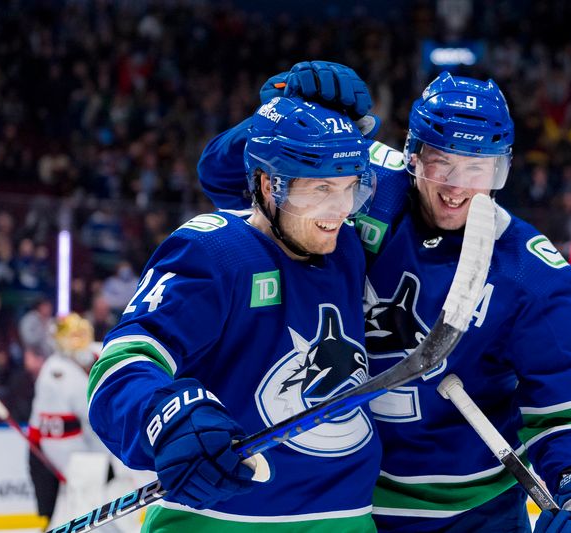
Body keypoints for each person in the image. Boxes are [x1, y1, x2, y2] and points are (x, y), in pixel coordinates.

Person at [198, 61, 571, 532]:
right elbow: (226, 181)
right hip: (343, 503)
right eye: (441, 161)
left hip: (472, 515)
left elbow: (565, 407)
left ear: (500, 169)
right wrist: (276, 121)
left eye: (476, 167)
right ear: (411, 155)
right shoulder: (363, 185)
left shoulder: (534, 276)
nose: (456, 186)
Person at [87, 96, 382, 531]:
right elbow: (122, 365)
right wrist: (169, 418)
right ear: (269, 186)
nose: (340, 210)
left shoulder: (346, 248)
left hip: (346, 520)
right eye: (320, 188)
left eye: (349, 187)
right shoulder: (215, 250)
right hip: (221, 521)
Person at [27, 313, 105, 525]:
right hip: (72, 453)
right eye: (72, 335)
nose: (77, 340)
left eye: (81, 334)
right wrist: (73, 467)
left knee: (105, 509)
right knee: (80, 508)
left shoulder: (101, 352)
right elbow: (60, 432)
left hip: (99, 450)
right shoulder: (55, 371)